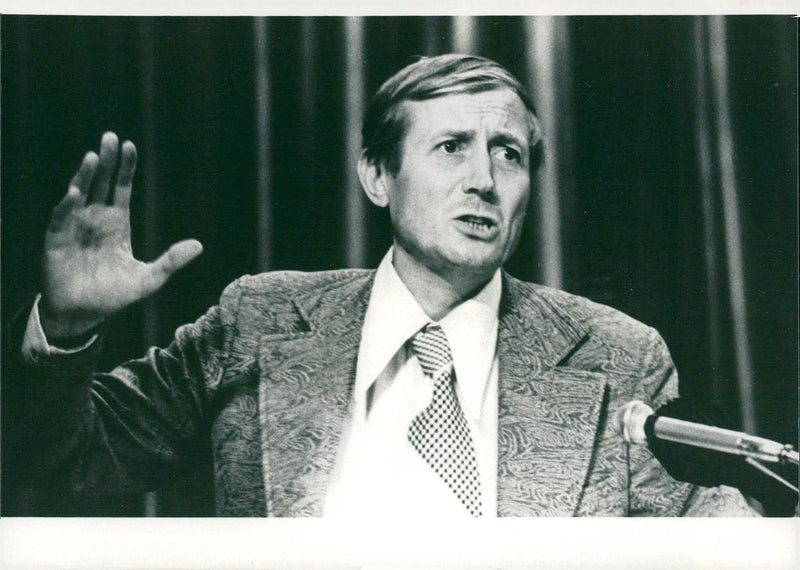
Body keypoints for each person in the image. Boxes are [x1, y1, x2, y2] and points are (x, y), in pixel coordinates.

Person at [2, 54, 756, 517]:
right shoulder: (260, 318)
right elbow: (63, 457)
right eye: (451, 147)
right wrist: (64, 333)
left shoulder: (620, 356)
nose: (484, 181)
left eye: (509, 155)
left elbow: (711, 534)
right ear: (376, 176)